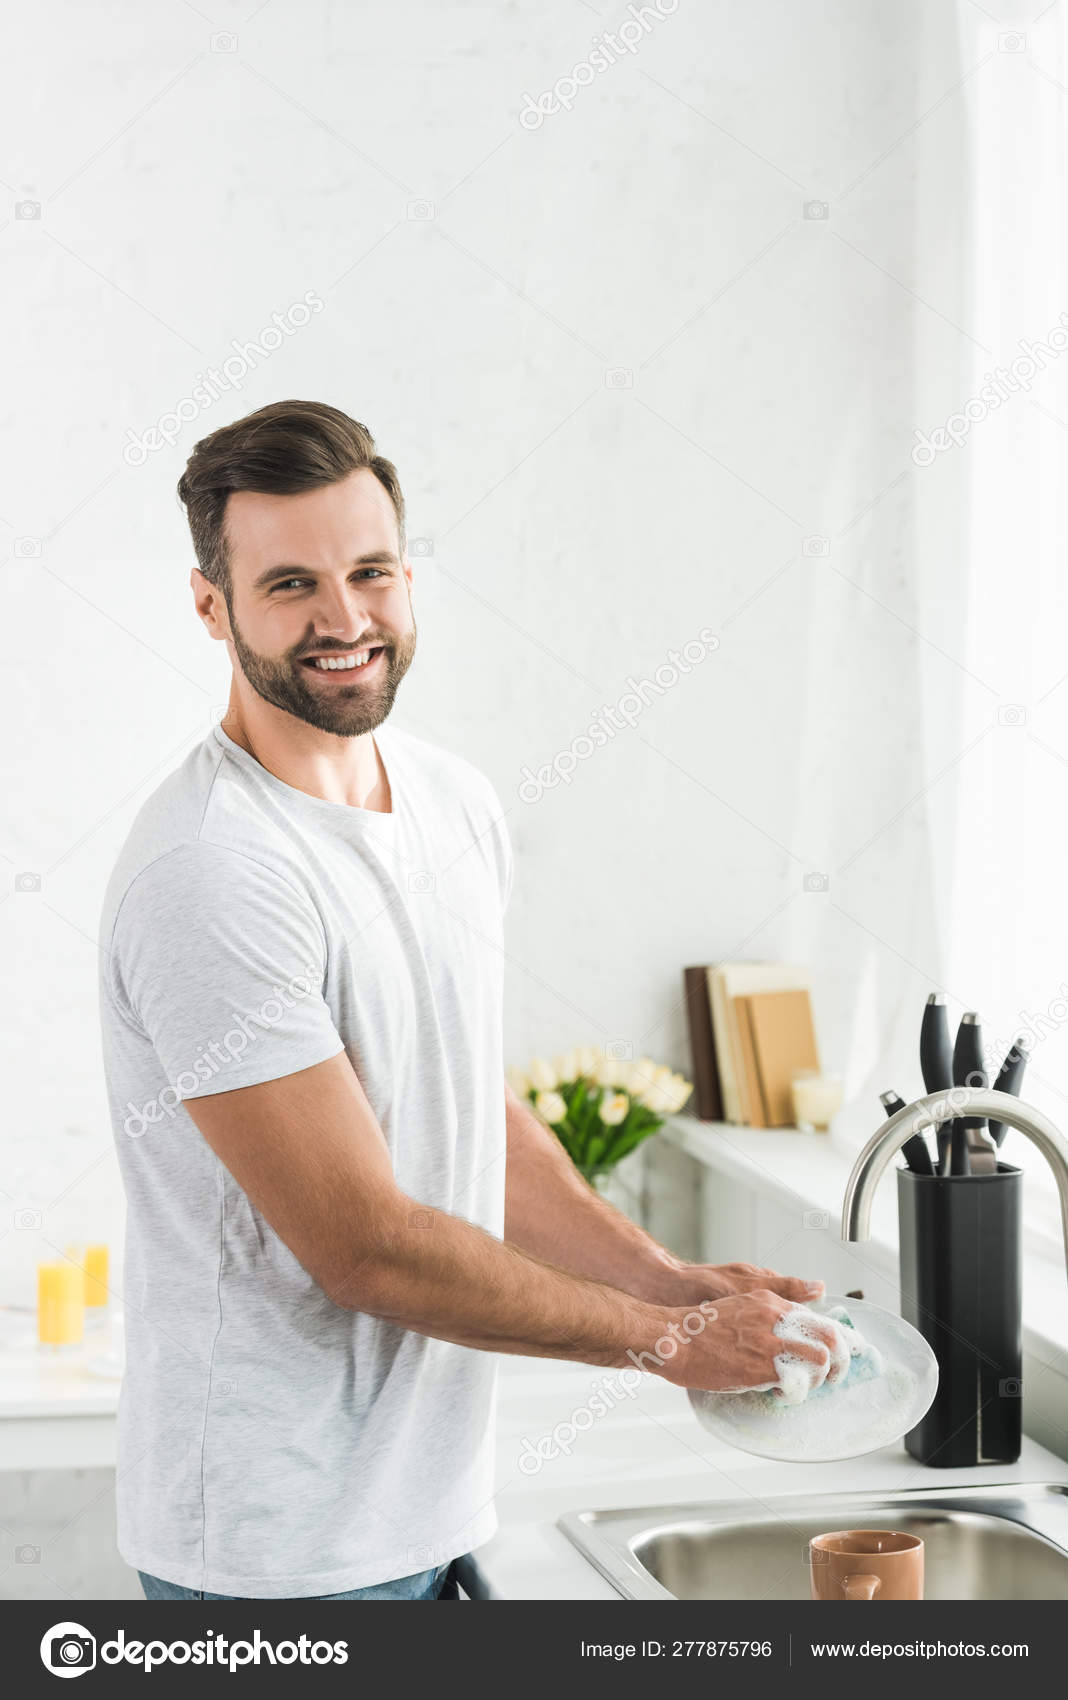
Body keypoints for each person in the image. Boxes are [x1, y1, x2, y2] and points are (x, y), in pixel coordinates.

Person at [98, 399, 843, 1602]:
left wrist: (667, 1281)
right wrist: (665, 1342)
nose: (345, 620)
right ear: (210, 605)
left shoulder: (452, 804)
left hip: (430, 1513)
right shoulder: (214, 870)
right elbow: (366, 1246)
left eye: (371, 571)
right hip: (276, 1554)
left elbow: (470, 1119)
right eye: (290, 583)